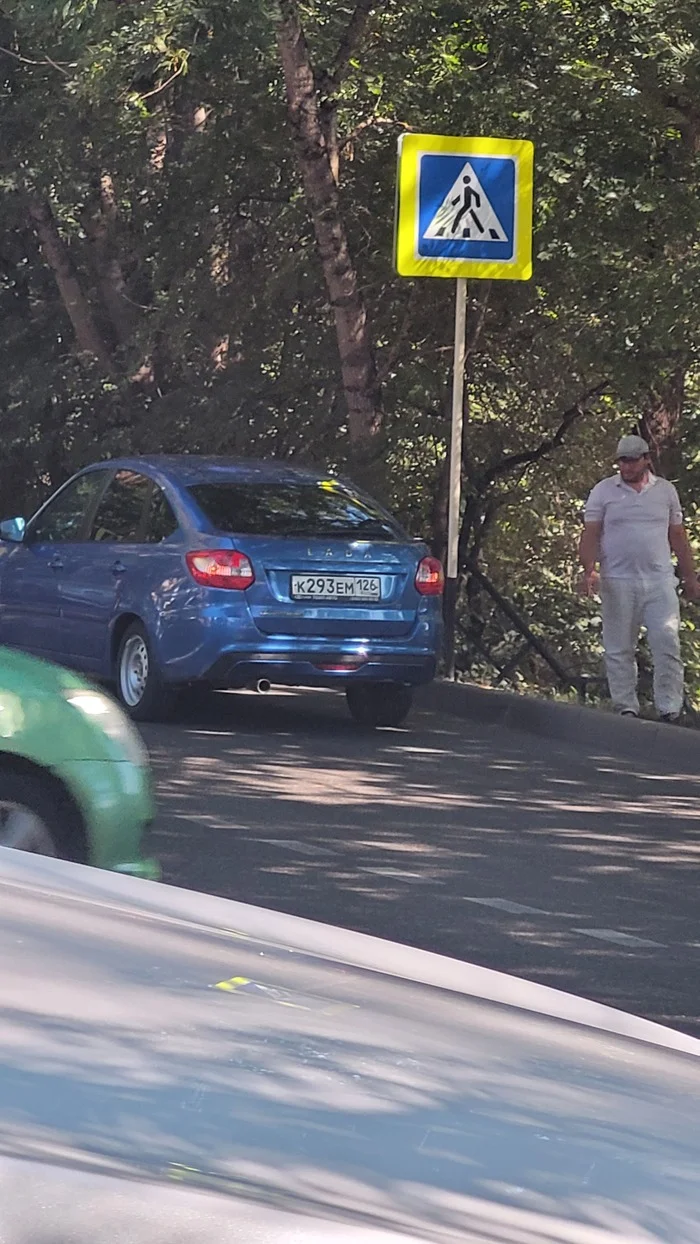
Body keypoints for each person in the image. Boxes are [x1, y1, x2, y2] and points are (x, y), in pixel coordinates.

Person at [578, 434, 700, 721]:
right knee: (619, 646)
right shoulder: (604, 491)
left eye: (632, 460)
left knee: (667, 642)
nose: (627, 467)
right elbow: (591, 533)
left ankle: (669, 708)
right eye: (622, 461)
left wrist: (690, 576)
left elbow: (678, 536)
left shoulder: (666, 492)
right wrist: (588, 570)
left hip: (659, 580)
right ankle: (626, 706)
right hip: (618, 579)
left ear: (646, 459)